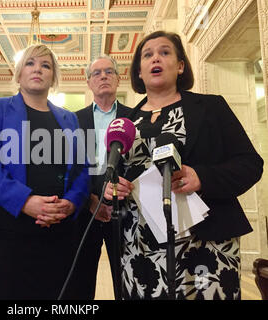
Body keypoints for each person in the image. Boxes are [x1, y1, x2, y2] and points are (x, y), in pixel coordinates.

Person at [103, 30, 263, 299]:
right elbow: (113, 177)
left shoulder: (211, 108)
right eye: (148, 54)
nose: (156, 58)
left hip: (205, 245)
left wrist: (202, 177)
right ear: (139, 72)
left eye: (165, 52)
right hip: (139, 249)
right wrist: (111, 188)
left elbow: (250, 164)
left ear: (180, 66)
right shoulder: (124, 122)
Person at [0, 44, 89, 300]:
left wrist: (71, 203)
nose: (38, 69)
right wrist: (24, 201)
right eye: (30, 63)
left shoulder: (69, 119)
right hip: (6, 226)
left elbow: (82, 168)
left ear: (53, 77)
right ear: (18, 74)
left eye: (46, 65)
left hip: (58, 227)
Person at [67, 55, 132, 299]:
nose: (103, 76)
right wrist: (91, 199)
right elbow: (68, 168)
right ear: (88, 82)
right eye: (97, 73)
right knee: (80, 285)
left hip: (126, 213)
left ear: (118, 78)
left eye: (109, 72)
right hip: (84, 212)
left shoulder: (135, 116)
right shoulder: (72, 120)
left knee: (126, 281)